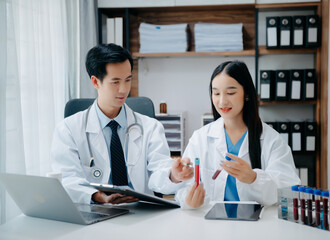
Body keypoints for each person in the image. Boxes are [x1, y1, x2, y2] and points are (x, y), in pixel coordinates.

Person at [51, 44, 192, 204]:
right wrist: (97, 196)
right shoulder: (68, 129)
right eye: (115, 82)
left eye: (128, 80)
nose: (124, 89)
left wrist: (173, 175)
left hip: (141, 212)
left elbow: (158, 172)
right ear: (96, 82)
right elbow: (68, 179)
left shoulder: (150, 127)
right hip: (95, 211)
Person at [175, 61, 300, 208]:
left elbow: (289, 191)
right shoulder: (200, 138)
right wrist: (188, 200)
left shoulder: (271, 140)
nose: (222, 101)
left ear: (246, 93)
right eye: (216, 93)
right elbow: (182, 188)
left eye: (230, 93)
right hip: (212, 226)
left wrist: (254, 178)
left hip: (258, 227)